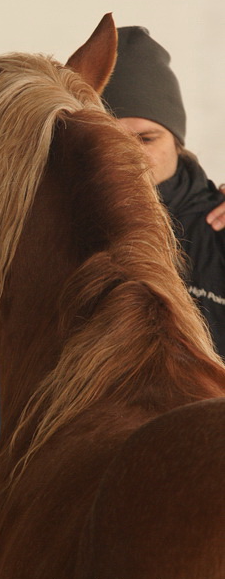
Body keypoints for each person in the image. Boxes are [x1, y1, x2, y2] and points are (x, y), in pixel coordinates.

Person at [102, 25, 225, 358]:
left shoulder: (218, 232)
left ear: (176, 142)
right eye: (112, 140)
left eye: (146, 139)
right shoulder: (61, 227)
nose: (131, 155)